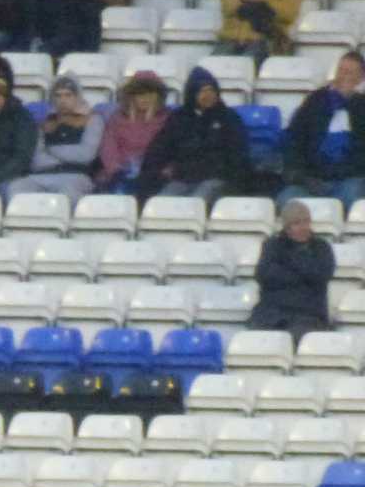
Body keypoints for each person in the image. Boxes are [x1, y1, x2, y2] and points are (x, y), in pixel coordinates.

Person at [138, 66, 249, 203]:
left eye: (211, 90)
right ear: (192, 93)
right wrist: (157, 172)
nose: (208, 95)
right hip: (182, 178)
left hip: (216, 178)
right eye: (202, 91)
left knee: (197, 201)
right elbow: (160, 148)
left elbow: (238, 153)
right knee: (163, 202)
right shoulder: (179, 118)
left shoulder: (228, 118)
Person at [278, 51, 365, 210]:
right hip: (312, 178)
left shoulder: (361, 107)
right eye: (341, 70)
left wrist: (346, 102)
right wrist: (303, 176)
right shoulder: (315, 100)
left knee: (352, 197)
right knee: (287, 199)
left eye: (349, 72)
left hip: (347, 179)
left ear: (360, 78)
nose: (342, 76)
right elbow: (295, 140)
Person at [4, 74, 102, 203]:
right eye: (58, 95)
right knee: (16, 187)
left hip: (75, 175)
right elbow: (37, 158)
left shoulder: (93, 120)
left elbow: (85, 155)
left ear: (77, 97)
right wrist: (63, 157)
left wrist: (51, 150)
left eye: (68, 95)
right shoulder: (45, 123)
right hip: (42, 174)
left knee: (69, 192)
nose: (63, 100)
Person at [249, 200, 335, 339]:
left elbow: (320, 276)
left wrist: (288, 263)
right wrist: (302, 273)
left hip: (308, 314)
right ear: (286, 227)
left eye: (306, 221)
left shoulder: (321, 247)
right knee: (257, 338)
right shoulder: (272, 245)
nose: (303, 227)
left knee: (296, 336)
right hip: (271, 312)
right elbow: (263, 275)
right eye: (297, 223)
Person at [94, 70, 167, 195]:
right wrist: (116, 171)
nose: (145, 98)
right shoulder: (117, 119)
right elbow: (108, 148)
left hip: (154, 176)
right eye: (140, 94)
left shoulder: (167, 120)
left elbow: (169, 149)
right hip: (119, 174)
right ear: (131, 97)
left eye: (150, 93)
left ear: (158, 96)